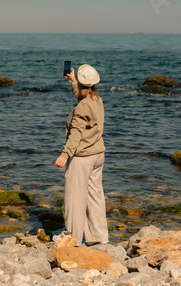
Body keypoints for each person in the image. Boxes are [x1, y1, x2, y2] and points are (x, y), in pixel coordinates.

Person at [54, 64, 109, 246]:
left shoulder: (82, 107)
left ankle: (71, 237)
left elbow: (75, 134)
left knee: (74, 198)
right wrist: (74, 83)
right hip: (98, 154)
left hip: (82, 157)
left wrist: (65, 155)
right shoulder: (97, 99)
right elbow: (82, 97)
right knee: (95, 196)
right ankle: (98, 237)